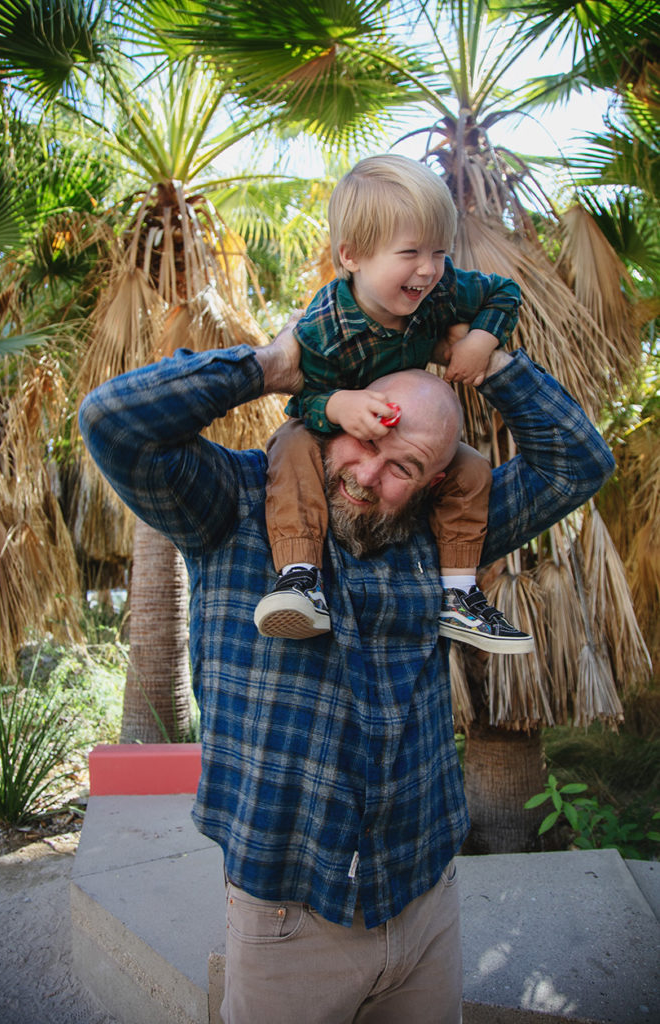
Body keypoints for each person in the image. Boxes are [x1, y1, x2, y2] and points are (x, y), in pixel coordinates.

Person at [79, 323, 614, 1024]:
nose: (367, 475)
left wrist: (495, 365)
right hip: (287, 919)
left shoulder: (444, 534)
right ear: (340, 413)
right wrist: (269, 366)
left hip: (424, 900)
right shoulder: (230, 505)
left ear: (435, 482)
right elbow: (112, 422)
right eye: (366, 440)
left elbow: (578, 462)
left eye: (403, 467)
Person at [254, 154, 534, 654]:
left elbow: (504, 293)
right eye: (409, 253)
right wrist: (338, 405)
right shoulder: (326, 326)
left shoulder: (441, 288)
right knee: (291, 444)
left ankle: (459, 593)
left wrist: (480, 343)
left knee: (470, 469)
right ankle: (299, 576)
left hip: (400, 428)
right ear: (352, 255)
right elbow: (304, 401)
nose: (427, 270)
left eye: (439, 252)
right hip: (336, 432)